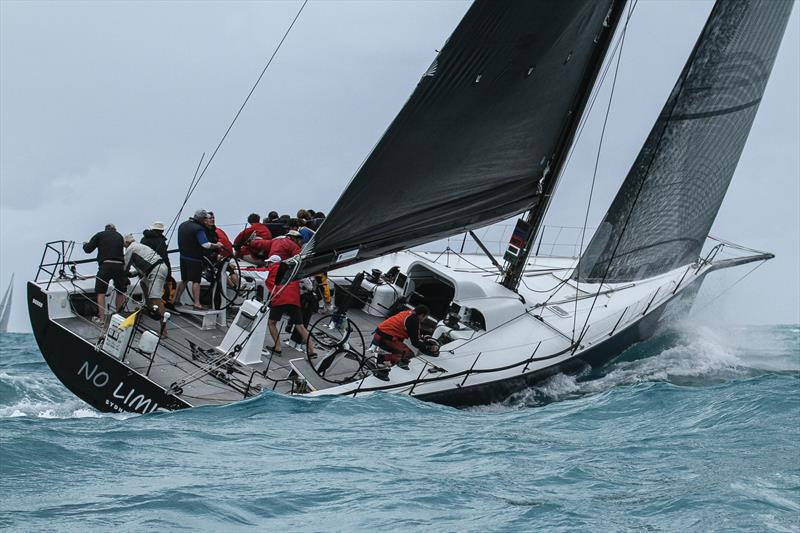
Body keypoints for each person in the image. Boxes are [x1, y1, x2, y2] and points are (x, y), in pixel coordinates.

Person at [266, 258, 315, 357]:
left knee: (271, 323)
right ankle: (312, 351)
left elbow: (253, 272)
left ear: (272, 263)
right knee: (300, 326)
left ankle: (277, 347)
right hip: (294, 299)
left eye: (269, 262)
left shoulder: (271, 269)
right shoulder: (293, 269)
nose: (267, 264)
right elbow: (308, 284)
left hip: (280, 298)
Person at [175, 209, 223, 310]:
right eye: (205, 218)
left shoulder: (183, 225)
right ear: (201, 219)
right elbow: (205, 244)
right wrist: (217, 245)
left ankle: (177, 299)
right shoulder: (198, 229)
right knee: (196, 281)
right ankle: (196, 303)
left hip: (183, 257)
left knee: (184, 279)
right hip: (194, 259)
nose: (206, 220)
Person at [123, 234, 170, 337]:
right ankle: (149, 307)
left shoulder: (130, 249)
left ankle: (164, 331)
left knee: (156, 299)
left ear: (126, 243)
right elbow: (145, 262)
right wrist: (133, 274)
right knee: (143, 283)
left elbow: (125, 266)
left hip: (156, 271)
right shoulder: (139, 246)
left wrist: (123, 275)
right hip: (159, 268)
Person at [83, 223, 128, 324]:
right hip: (119, 266)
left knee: (101, 292)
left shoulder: (99, 235)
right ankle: (119, 319)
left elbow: (88, 250)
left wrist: (85, 244)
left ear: (105, 229)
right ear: (115, 229)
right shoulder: (119, 236)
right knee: (120, 292)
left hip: (106, 266)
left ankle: (102, 319)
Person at [373, 304, 438, 370]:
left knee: (400, 351)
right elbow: (415, 342)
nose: (424, 319)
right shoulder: (414, 320)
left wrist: (422, 338)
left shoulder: (407, 313)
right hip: (385, 339)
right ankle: (383, 366)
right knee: (408, 354)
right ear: (422, 315)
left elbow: (413, 331)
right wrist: (427, 348)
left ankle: (384, 363)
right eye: (425, 317)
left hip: (379, 334)